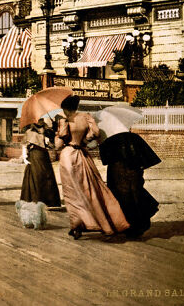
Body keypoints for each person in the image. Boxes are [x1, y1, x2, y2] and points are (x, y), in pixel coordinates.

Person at [55, 95, 129, 239]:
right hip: (83, 155)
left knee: (72, 193)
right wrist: (82, 139)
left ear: (66, 108)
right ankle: (102, 224)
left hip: (68, 157)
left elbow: (59, 145)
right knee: (92, 189)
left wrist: (56, 135)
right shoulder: (86, 117)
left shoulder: (64, 121)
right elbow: (93, 135)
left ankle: (78, 224)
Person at [100, 130, 161, 238]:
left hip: (117, 173)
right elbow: (149, 158)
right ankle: (138, 227)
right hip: (133, 173)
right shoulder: (135, 138)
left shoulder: (110, 141)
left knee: (120, 198)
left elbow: (105, 160)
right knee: (136, 196)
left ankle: (125, 225)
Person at [19, 118, 61, 208]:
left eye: (41, 120)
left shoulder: (46, 131)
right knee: (35, 176)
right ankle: (35, 199)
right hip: (33, 155)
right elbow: (24, 145)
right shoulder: (29, 132)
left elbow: (51, 146)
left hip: (44, 155)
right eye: (38, 120)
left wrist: (51, 135)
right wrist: (25, 157)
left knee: (47, 176)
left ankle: (48, 201)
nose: (40, 122)